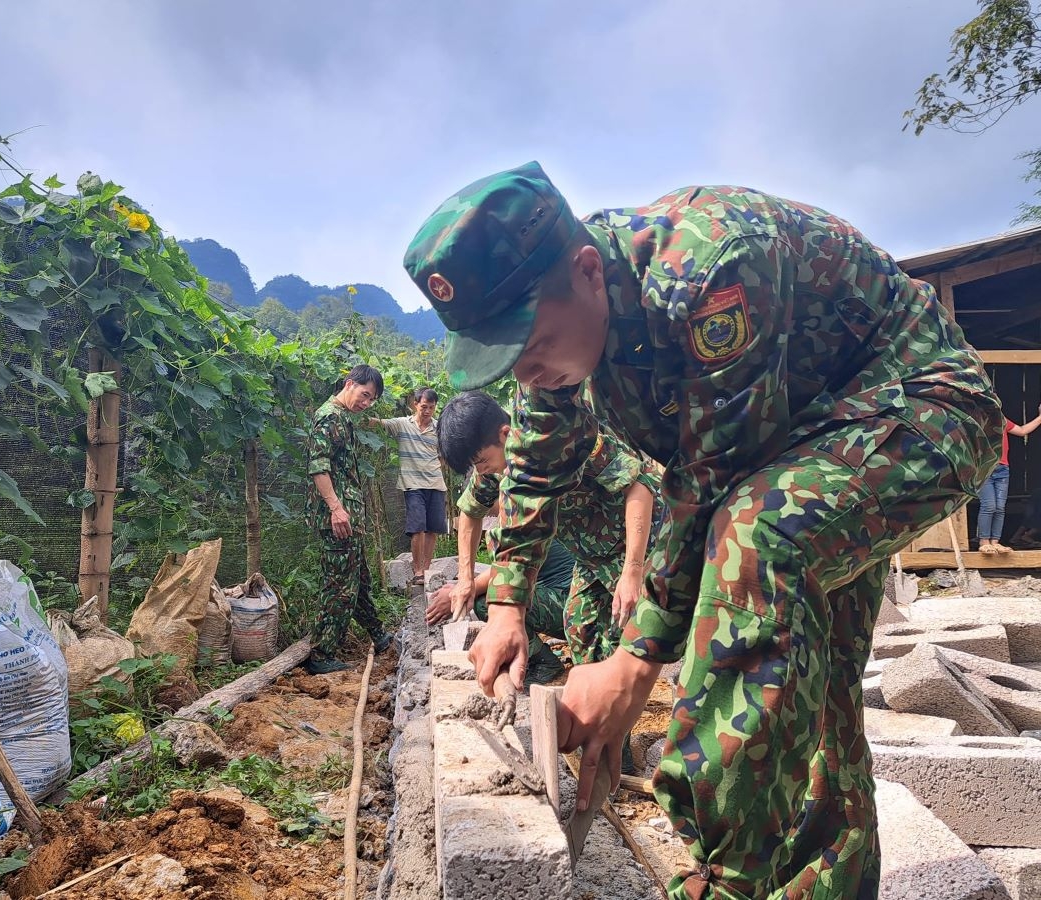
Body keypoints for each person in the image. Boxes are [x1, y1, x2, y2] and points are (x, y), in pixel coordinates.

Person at [403, 162, 1001, 898]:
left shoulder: (710, 268)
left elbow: (711, 481)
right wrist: (506, 605)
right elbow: (531, 464)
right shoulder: (553, 357)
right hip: (801, 450)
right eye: (506, 363)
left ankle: (725, 880)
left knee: (756, 538)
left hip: (918, 407)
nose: (527, 373)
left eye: (531, 346)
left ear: (588, 271)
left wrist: (632, 664)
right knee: (808, 698)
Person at [438, 389, 662, 667]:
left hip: (645, 543)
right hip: (592, 557)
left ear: (506, 434)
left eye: (481, 461)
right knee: (580, 628)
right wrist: (465, 579)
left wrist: (633, 571)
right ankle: (599, 694)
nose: (481, 471)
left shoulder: (567, 440)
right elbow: (469, 511)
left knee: (661, 621)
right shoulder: (495, 469)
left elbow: (639, 485)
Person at [304, 364, 394, 675]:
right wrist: (335, 508)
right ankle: (321, 653)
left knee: (359, 577)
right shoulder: (329, 416)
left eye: (372, 400)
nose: (366, 403)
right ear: (349, 384)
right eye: (365, 395)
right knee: (339, 584)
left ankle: (378, 635)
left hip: (348, 517)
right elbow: (318, 466)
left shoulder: (343, 417)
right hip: (339, 517)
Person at [425, 514, 574, 685]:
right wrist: (461, 586)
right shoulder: (533, 512)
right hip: (572, 608)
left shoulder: (524, 519)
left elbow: (506, 574)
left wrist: (460, 592)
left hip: (571, 611)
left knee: (487, 601)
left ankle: (544, 664)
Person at [369, 387, 448, 584]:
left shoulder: (439, 428)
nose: (427, 411)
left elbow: (445, 453)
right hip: (412, 485)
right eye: (423, 406)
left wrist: (439, 464)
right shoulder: (403, 424)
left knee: (433, 529)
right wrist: (359, 414)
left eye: (431, 407)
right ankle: (418, 570)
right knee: (417, 527)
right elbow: (380, 424)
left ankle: (427, 570)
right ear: (415, 404)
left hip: (436, 484)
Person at [977, 402, 1041, 554]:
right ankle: (984, 541)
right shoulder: (976, 423)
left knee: (1000, 508)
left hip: (1002, 469)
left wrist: (1040, 417)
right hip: (985, 469)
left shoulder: (1003, 421)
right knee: (989, 506)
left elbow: (1022, 430)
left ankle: (995, 542)